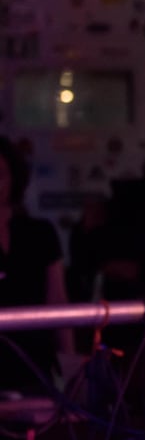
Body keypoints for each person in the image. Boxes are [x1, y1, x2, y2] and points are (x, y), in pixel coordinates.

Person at [0, 137, 74, 394]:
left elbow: (57, 299)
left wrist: (69, 363)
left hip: (35, 365)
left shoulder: (39, 233)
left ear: (13, 180)